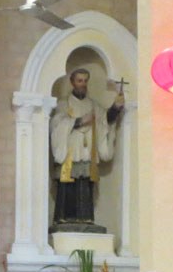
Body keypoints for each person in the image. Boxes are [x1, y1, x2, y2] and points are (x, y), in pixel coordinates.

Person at [48, 68, 124, 227]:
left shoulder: (93, 105)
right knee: (67, 185)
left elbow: (105, 121)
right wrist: (79, 121)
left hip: (87, 152)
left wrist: (116, 108)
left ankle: (85, 220)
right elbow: (56, 124)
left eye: (85, 81)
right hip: (70, 152)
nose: (82, 84)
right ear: (72, 82)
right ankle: (63, 220)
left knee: (85, 186)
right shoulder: (64, 104)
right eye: (79, 81)